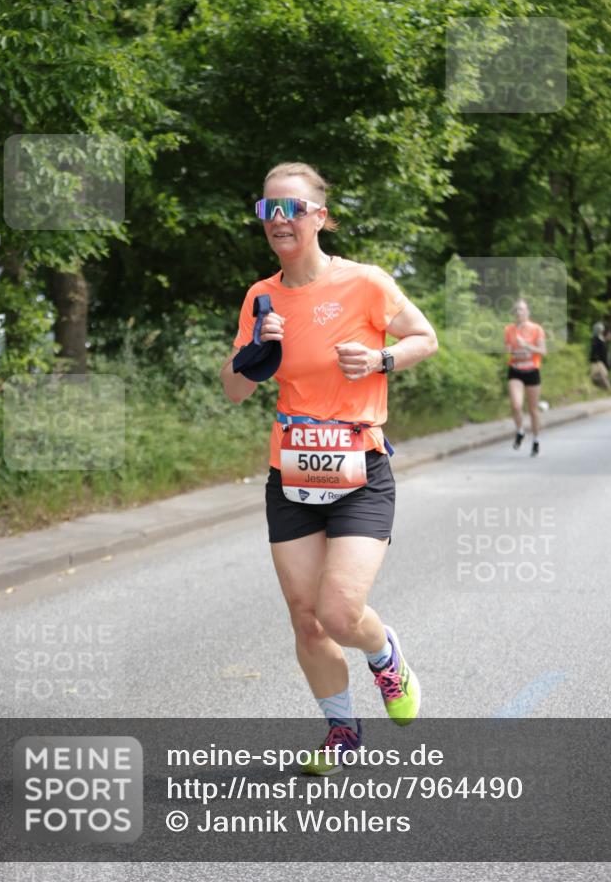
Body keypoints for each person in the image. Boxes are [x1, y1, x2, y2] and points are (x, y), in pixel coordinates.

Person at [220, 162, 438, 775]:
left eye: (291, 208)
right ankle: (342, 729)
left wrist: (380, 358)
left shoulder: (365, 283)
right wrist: (254, 355)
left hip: (360, 467)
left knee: (341, 614)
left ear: (320, 216)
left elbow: (426, 337)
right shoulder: (261, 296)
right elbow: (234, 389)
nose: (279, 220)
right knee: (305, 617)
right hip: (291, 472)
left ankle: (385, 655)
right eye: (268, 210)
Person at [503, 298, 546, 457]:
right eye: (517, 310)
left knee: (533, 410)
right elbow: (506, 349)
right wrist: (513, 350)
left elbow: (542, 351)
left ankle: (536, 440)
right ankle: (520, 431)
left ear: (528, 312)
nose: (519, 312)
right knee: (516, 406)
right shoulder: (509, 330)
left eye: (522, 309)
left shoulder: (536, 329)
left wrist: (527, 346)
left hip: (532, 370)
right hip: (515, 369)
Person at [589, 322, 611, 392]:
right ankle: (607, 390)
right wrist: (607, 365)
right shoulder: (600, 341)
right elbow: (603, 356)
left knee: (602, 376)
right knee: (604, 376)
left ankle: (605, 390)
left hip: (596, 362)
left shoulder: (595, 340)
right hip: (598, 363)